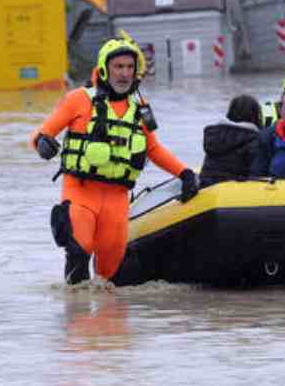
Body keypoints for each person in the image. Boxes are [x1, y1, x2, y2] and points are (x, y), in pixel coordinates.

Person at [29, 37, 198, 285]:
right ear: (105, 69)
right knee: (79, 248)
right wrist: (43, 144)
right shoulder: (79, 99)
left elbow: (154, 149)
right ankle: (76, 315)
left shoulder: (139, 109)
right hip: (80, 191)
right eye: (118, 67)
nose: (124, 74)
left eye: (129, 67)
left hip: (117, 199)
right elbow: (40, 134)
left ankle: (106, 322)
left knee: (108, 273)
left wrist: (184, 173)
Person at [198, 94, 262, 187]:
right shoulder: (254, 140)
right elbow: (257, 172)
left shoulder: (215, 135)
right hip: (233, 193)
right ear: (256, 115)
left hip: (206, 188)